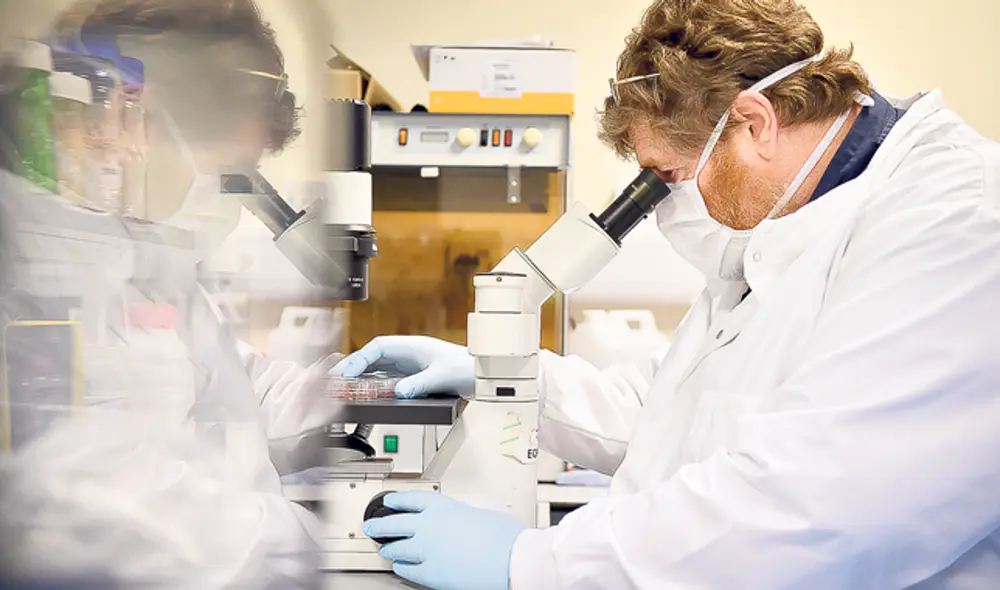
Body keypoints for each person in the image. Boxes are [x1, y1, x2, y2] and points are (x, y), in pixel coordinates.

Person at [345, 0, 1000, 588]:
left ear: (754, 124)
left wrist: (533, 564)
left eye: (669, 177)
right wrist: (501, 376)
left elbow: (819, 506)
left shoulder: (959, 220)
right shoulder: (795, 232)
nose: (666, 206)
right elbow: (673, 411)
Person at [0, 1, 343, 586]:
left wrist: (348, 392)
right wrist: (321, 546)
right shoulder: (34, 259)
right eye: (230, 174)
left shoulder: (138, 255)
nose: (232, 203)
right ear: (134, 120)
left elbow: (228, 397)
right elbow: (103, 502)